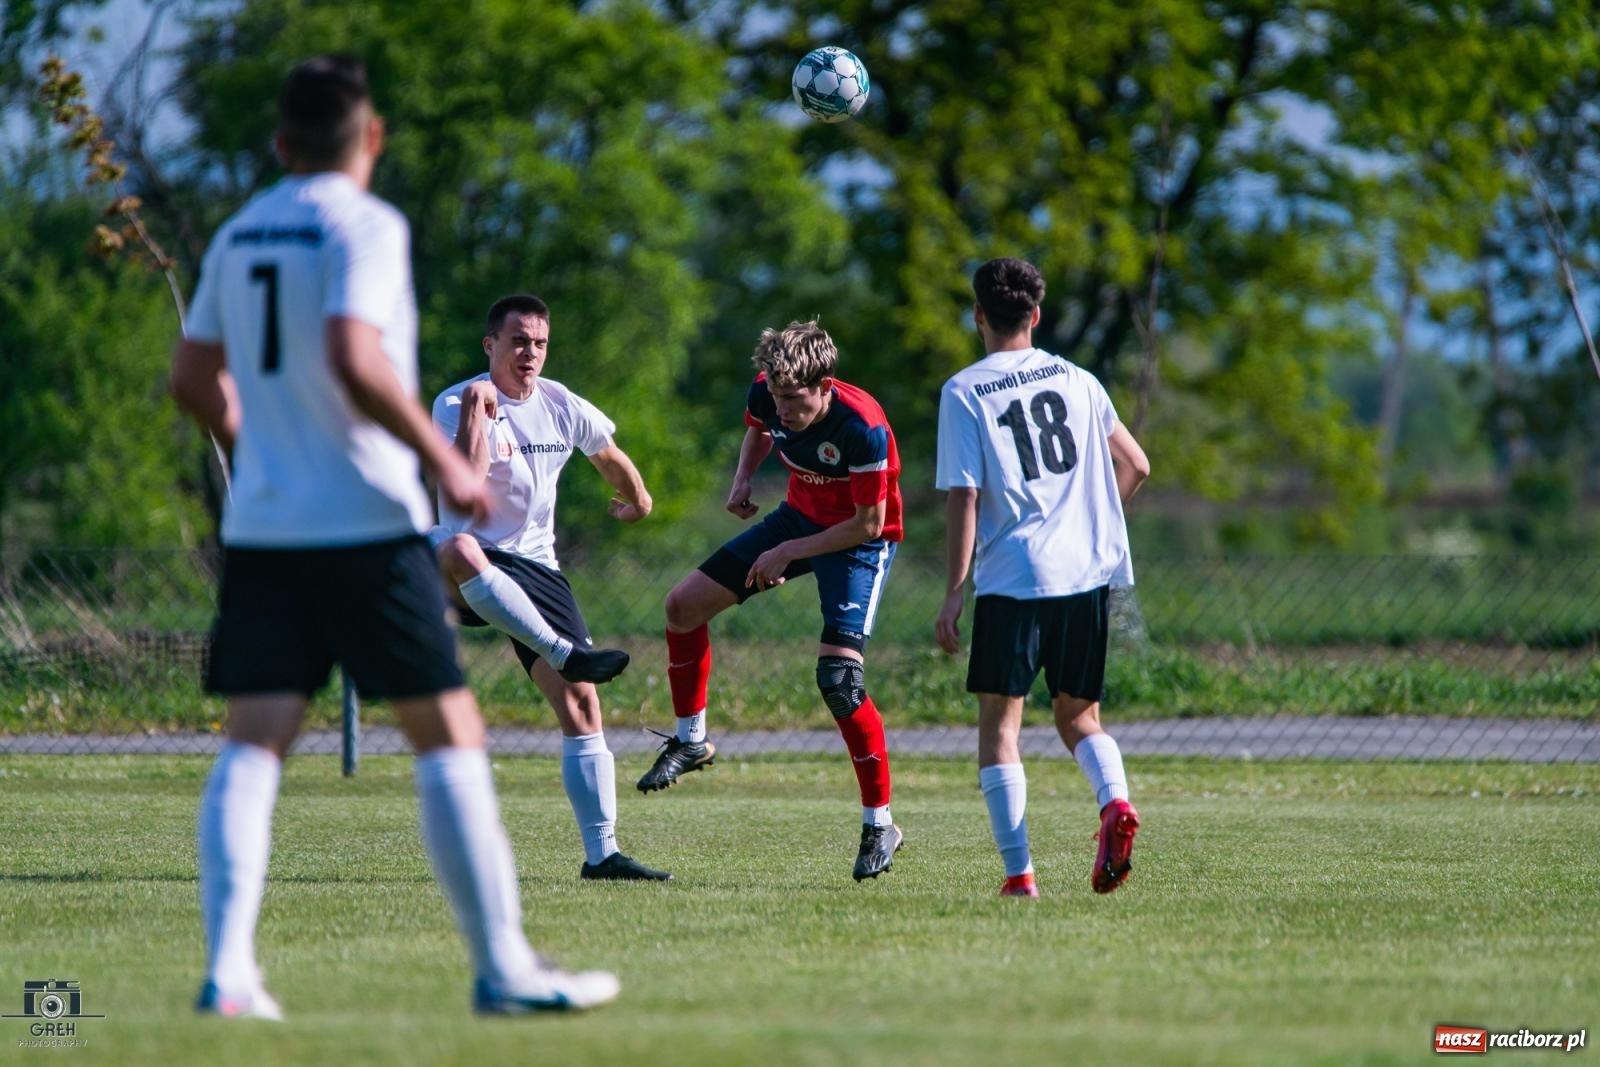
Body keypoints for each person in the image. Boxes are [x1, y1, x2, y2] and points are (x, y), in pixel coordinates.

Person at [169, 55, 619, 1019]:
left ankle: (230, 973)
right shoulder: (364, 223)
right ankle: (502, 968)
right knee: (448, 731)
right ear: (369, 139)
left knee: (253, 743)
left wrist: (264, 444)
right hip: (367, 522)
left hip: (265, 527)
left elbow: (193, 375)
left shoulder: (240, 230)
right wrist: (443, 459)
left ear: (281, 144)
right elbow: (353, 353)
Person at [640, 320, 905, 882]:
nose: (782, 408)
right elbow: (760, 430)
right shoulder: (768, 392)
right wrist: (742, 479)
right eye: (776, 396)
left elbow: (867, 524)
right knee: (681, 607)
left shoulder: (864, 429)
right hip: (797, 521)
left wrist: (787, 552)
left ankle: (880, 822)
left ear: (826, 385)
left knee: (839, 681)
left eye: (794, 399)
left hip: (859, 544)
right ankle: (692, 741)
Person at [430, 293, 670, 883]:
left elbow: (607, 453)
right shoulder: (457, 401)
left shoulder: (560, 403)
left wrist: (638, 497)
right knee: (455, 547)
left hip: (534, 567)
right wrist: (477, 415)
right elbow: (466, 486)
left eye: (538, 342)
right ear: (491, 346)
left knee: (582, 702)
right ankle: (563, 652)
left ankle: (603, 856)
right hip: (467, 563)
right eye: (517, 341)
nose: (529, 353)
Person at [933, 257, 1151, 898]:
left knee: (1001, 730)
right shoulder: (1081, 381)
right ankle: (1114, 803)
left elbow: (964, 498)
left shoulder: (965, 390)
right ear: (1035, 315)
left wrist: (953, 590)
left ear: (978, 316)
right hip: (1087, 574)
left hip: (1016, 575)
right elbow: (1135, 465)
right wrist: (1084, 515)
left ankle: (1019, 874)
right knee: (1081, 718)